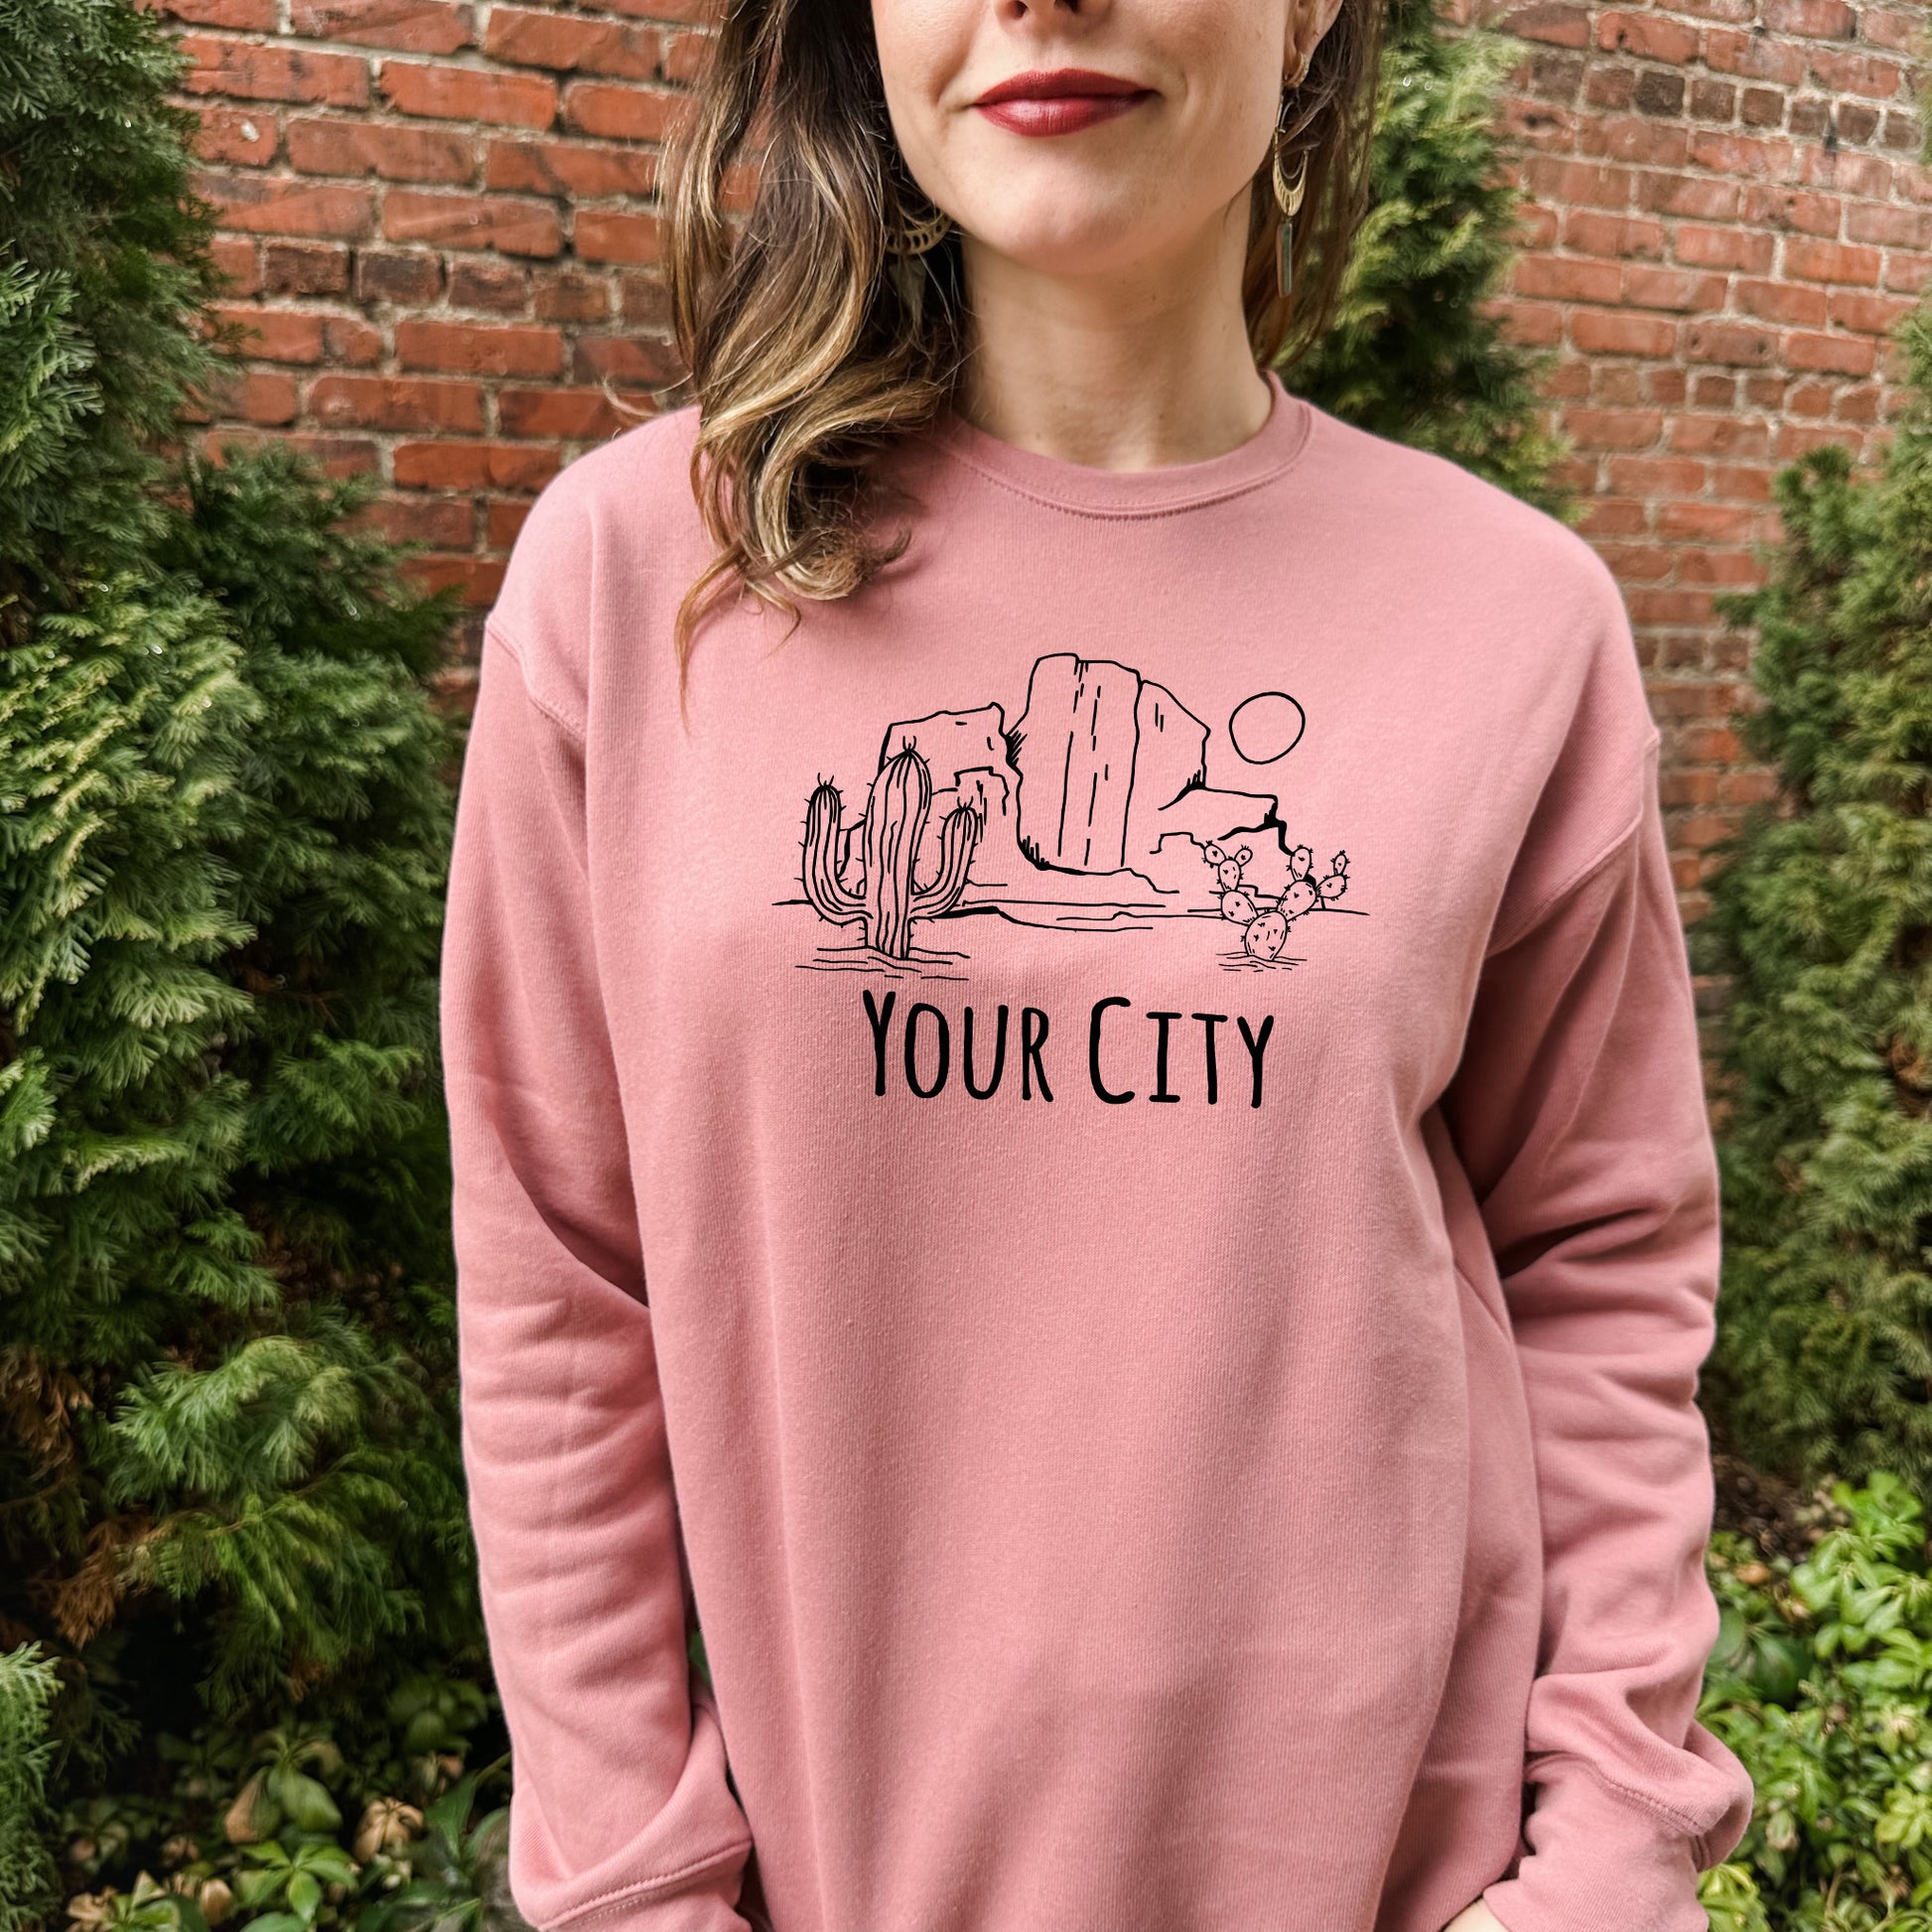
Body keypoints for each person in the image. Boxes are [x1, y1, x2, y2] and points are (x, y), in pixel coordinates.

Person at [437, 0, 1758, 1925]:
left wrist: (1608, 1852)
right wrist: (638, 1888)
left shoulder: (1514, 625)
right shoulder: (646, 578)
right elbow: (555, 1282)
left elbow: (1606, 1267)